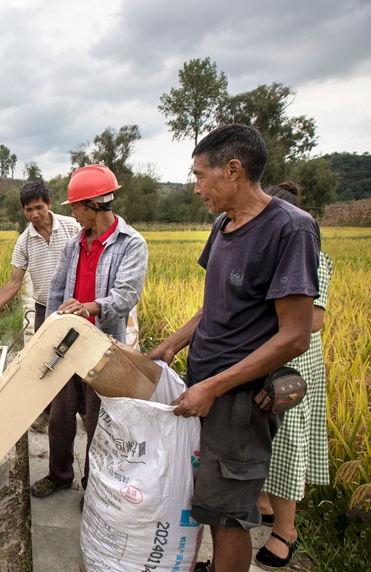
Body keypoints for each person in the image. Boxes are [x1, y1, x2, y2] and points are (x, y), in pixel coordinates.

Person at [146, 125, 320, 572]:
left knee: (228, 515)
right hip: (206, 384)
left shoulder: (291, 229)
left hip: (239, 400)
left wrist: (215, 387)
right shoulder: (223, 224)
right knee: (205, 497)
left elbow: (295, 335)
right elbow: (213, 306)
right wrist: (171, 344)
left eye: (201, 175)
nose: (198, 186)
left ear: (234, 170)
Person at [30, 164, 148, 498]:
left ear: (94, 205)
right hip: (68, 343)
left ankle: (91, 485)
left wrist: (89, 307)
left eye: (77, 208)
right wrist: (49, 333)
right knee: (60, 415)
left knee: (98, 422)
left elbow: (125, 297)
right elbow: (56, 292)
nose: (74, 215)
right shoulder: (74, 245)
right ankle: (58, 474)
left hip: (104, 347)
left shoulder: (131, 245)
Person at [255, 182, 333, 569]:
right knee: (262, 432)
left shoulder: (311, 255)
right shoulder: (265, 253)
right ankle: (265, 504)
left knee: (286, 442)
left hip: (293, 368)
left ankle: (286, 531)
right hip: (263, 357)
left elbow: (312, 322)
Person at [0, 180, 80, 331]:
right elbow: (15, 282)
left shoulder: (72, 226)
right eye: (29, 210)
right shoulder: (23, 241)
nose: (34, 215)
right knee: (44, 353)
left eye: (39, 208)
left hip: (76, 306)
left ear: (49, 203)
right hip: (44, 308)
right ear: (22, 208)